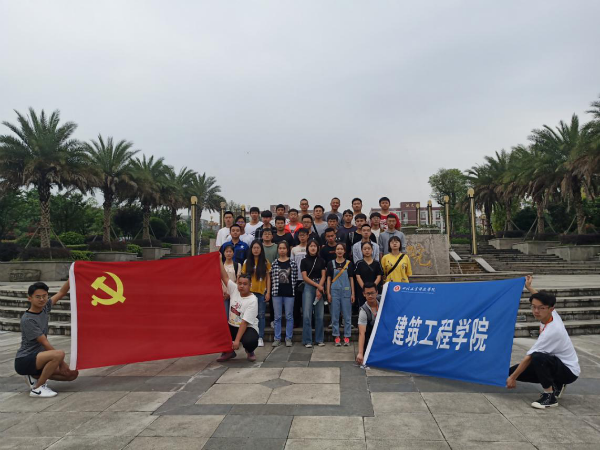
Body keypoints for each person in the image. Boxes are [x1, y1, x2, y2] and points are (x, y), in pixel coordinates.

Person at [506, 275, 580, 409]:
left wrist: (513, 378)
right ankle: (557, 383)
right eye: (533, 307)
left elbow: (529, 357)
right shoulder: (552, 314)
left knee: (538, 358)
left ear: (551, 309)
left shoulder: (553, 330)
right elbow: (539, 300)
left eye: (541, 308)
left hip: (569, 371)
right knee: (510, 372)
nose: (536, 311)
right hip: (558, 363)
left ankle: (549, 396)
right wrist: (529, 287)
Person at [14, 281, 79, 397]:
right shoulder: (28, 319)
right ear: (30, 298)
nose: (42, 299)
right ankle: (38, 388)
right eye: (38, 297)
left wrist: (72, 276)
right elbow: (45, 343)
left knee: (72, 374)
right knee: (58, 354)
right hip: (25, 360)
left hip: (39, 359)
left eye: (44, 296)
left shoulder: (44, 308)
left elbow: (62, 292)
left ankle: (33, 375)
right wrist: (61, 363)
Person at [218, 262, 259, 362]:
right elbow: (224, 277)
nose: (241, 286)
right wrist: (219, 259)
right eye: (239, 283)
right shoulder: (234, 289)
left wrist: (236, 341)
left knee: (250, 341)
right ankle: (228, 352)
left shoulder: (253, 300)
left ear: (250, 285)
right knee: (217, 331)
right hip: (232, 325)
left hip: (248, 327)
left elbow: (244, 323)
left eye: (245, 284)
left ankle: (250, 350)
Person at [242, 240, 271, 347]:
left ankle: (260, 337)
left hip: (261, 292)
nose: (256, 250)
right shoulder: (247, 262)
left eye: (258, 248)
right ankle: (247, 336)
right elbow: (243, 278)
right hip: (249, 293)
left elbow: (268, 278)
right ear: (251, 249)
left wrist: (268, 292)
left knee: (261, 315)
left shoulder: (265, 262)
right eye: (254, 248)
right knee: (248, 315)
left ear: (261, 249)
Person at [327, 243, 355, 347]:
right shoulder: (331, 264)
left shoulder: (349, 264)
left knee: (347, 315)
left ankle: (347, 336)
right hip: (334, 292)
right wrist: (328, 293)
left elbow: (351, 279)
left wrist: (353, 293)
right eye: (338, 249)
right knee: (335, 315)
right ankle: (336, 336)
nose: (339, 251)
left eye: (341, 249)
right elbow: (328, 279)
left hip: (346, 291)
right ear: (335, 251)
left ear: (344, 251)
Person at [270, 241, 298, 347]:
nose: (282, 250)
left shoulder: (292, 263)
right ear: (278, 250)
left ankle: (288, 338)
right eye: (280, 248)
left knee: (289, 316)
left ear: (287, 250)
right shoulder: (274, 263)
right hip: (276, 293)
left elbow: (295, 278)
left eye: (284, 248)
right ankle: (277, 338)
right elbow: (272, 278)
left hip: (289, 293)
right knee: (277, 317)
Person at [301, 239, 327, 348]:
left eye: (315, 246)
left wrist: (320, 288)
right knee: (307, 314)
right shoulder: (304, 261)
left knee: (319, 315)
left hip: (319, 284)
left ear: (318, 248)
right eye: (311, 246)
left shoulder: (321, 261)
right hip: (309, 286)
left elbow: (323, 275)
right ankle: (307, 340)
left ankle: (319, 339)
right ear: (308, 248)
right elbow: (304, 277)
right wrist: (318, 286)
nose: (313, 248)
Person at [355, 282, 379, 366]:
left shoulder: (383, 301)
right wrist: (360, 353)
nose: (370, 296)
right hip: (370, 336)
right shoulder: (363, 311)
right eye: (368, 293)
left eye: (372, 293)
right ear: (364, 294)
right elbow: (362, 333)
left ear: (377, 292)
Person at [354, 242, 383, 306]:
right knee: (363, 307)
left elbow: (379, 276)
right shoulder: (359, 263)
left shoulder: (377, 263)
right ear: (361, 250)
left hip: (375, 291)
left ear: (372, 250)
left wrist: (373, 288)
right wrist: (365, 289)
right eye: (365, 249)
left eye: (369, 249)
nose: (367, 250)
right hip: (363, 291)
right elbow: (358, 277)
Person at [291, 228, 309, 325]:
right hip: (297, 278)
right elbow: (292, 264)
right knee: (296, 302)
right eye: (300, 235)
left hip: (309, 279)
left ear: (307, 236)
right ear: (298, 237)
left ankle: (309, 322)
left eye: (304, 235)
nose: (302, 237)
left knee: (308, 302)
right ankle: (296, 322)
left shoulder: (311, 247)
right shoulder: (294, 249)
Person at [220, 242, 241, 319]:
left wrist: (231, 292)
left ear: (233, 253)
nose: (228, 253)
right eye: (227, 251)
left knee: (233, 316)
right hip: (223, 294)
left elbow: (238, 280)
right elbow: (219, 280)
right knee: (225, 315)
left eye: (230, 251)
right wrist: (224, 291)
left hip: (234, 294)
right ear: (224, 253)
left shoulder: (238, 265)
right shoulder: (220, 265)